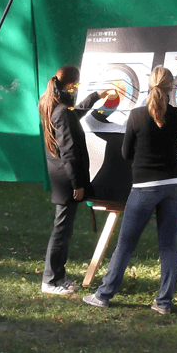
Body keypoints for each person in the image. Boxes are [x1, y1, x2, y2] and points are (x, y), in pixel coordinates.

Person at [84, 66, 177, 314]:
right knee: (168, 246)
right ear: (171, 87)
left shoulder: (136, 115)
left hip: (144, 187)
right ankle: (164, 302)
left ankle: (103, 295)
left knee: (125, 245)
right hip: (174, 186)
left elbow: (127, 153)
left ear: (150, 85)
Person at [38, 65, 111, 295]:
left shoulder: (53, 105)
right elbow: (69, 151)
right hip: (66, 179)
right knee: (61, 230)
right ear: (69, 85)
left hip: (62, 175)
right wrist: (77, 184)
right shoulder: (60, 110)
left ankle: (59, 277)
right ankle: (50, 281)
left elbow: (73, 114)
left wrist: (95, 97)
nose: (77, 89)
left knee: (65, 229)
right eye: (77, 85)